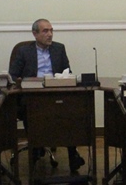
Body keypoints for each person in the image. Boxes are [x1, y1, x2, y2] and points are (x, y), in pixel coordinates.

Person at [8, 18, 84, 173]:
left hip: (54, 93)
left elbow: (67, 73)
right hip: (32, 96)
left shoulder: (59, 48)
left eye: (51, 30)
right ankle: (35, 147)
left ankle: (72, 153)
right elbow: (13, 75)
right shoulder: (24, 51)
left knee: (71, 110)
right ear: (35, 34)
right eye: (45, 31)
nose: (50, 34)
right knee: (30, 109)